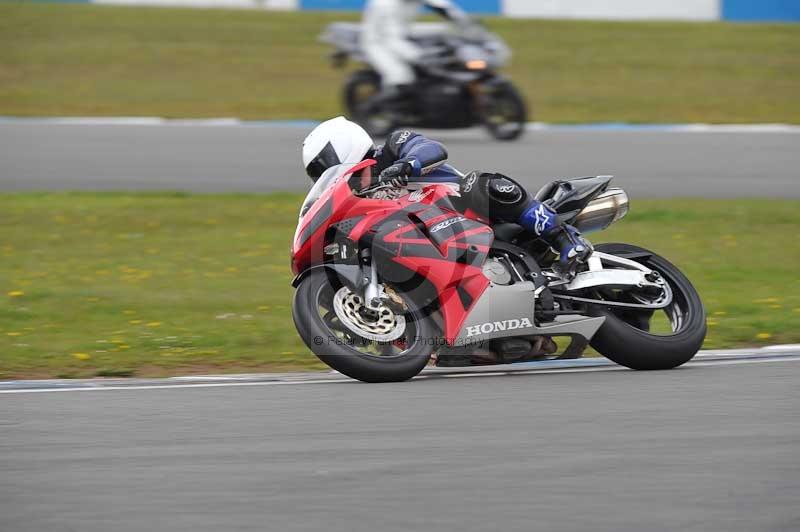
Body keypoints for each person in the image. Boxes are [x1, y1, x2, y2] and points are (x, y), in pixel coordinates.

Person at [301, 117, 592, 273]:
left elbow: (432, 149)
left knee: (478, 182)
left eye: (325, 165)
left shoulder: (392, 147)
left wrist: (408, 164)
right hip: (443, 246)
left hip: (470, 214)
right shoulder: (360, 200)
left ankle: (566, 240)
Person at [361, 0, 473, 106]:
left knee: (444, 35)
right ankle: (380, 106)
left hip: (403, 34)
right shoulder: (385, 4)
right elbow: (392, 38)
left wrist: (465, 22)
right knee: (401, 76)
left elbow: (443, 6)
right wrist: (417, 56)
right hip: (377, 43)